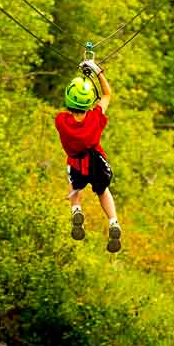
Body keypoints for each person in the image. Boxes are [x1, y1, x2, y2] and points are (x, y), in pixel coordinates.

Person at [54, 59, 121, 253]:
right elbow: (107, 95)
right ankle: (113, 221)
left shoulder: (61, 121)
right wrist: (97, 72)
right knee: (103, 191)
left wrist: (82, 80)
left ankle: (76, 210)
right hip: (96, 163)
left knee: (75, 189)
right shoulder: (95, 117)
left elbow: (67, 110)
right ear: (89, 101)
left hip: (76, 163)